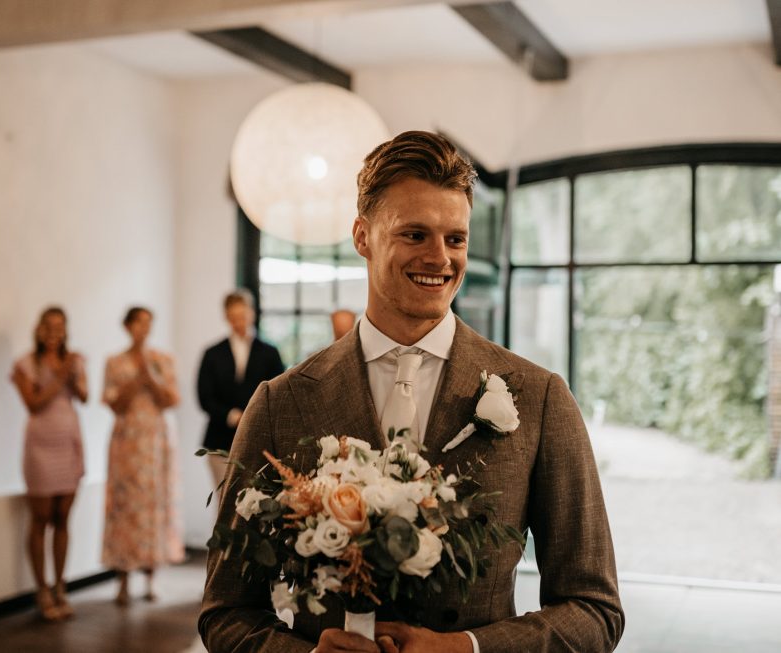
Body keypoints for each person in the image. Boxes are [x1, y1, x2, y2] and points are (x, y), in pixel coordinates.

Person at [200, 131, 624, 653]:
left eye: (456, 239)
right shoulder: (280, 402)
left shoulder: (538, 397)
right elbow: (226, 613)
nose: (440, 258)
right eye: (415, 234)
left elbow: (594, 611)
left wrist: (466, 648)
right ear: (362, 236)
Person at [101, 306, 184, 605]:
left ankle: (151, 577)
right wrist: (134, 382)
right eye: (138, 323)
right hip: (127, 442)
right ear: (127, 326)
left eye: (148, 323)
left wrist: (151, 380)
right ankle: (122, 578)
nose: (143, 328)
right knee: (125, 505)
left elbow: (172, 399)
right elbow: (114, 403)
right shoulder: (115, 362)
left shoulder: (162, 360)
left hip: (155, 441)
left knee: (153, 504)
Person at [11, 307, 87, 621]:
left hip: (69, 439)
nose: (55, 331)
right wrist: (60, 376)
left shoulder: (75, 360)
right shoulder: (25, 364)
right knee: (40, 517)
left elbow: (84, 396)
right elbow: (33, 403)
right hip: (40, 444)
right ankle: (41, 589)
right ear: (40, 329)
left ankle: (60, 586)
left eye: (60, 325)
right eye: (49, 326)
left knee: (63, 517)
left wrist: (75, 374)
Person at [196, 290, 284, 489]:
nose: (240, 322)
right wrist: (231, 415)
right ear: (226, 317)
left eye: (243, 316)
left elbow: (277, 392)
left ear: (252, 313)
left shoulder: (270, 353)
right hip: (220, 440)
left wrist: (253, 416)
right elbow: (204, 396)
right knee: (224, 500)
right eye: (234, 317)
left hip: (259, 441)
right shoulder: (212, 354)